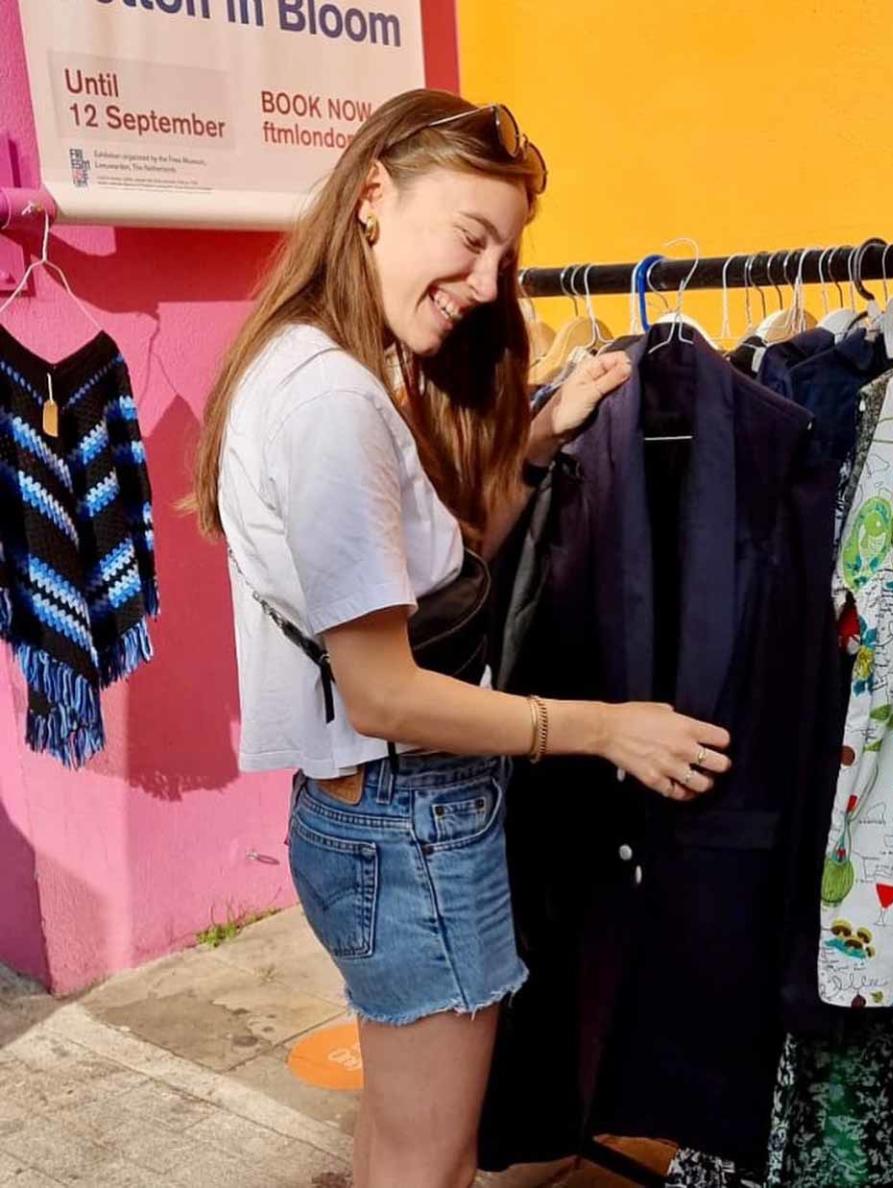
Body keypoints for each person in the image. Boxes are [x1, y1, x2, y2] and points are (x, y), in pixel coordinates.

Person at [192, 88, 731, 1188]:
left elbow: (431, 568)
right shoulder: (334, 405)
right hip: (412, 827)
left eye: (507, 252)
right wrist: (606, 729)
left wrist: (535, 443)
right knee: (429, 1168)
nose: (489, 281)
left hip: (372, 824)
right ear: (375, 196)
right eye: (472, 237)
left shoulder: (310, 366)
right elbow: (385, 689)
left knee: (395, 1143)